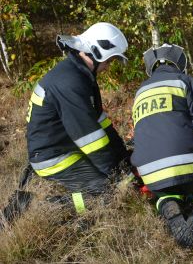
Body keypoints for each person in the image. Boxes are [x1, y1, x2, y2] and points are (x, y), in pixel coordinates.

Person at [26, 22, 129, 214]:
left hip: (67, 146)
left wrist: (124, 158)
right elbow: (90, 139)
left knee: (115, 179)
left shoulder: (80, 75)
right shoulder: (70, 83)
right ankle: (39, 207)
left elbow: (100, 123)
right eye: (109, 61)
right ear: (96, 53)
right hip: (53, 156)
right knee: (106, 191)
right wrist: (116, 174)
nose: (108, 67)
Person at [130, 43, 193, 248]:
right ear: (178, 63)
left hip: (149, 171)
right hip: (187, 159)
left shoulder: (140, 92)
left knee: (163, 191)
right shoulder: (184, 80)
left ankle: (171, 211)